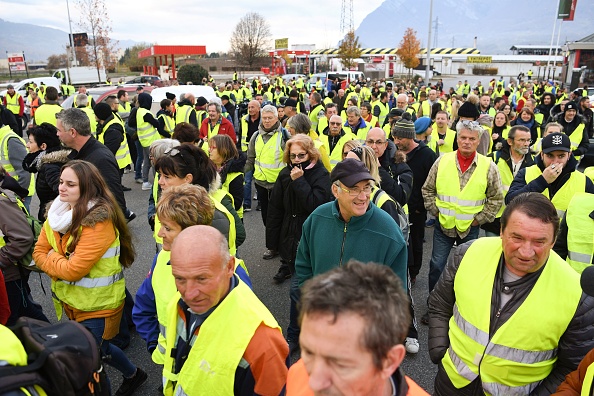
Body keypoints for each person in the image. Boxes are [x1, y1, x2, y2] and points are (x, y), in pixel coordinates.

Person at [428, 192, 594, 396]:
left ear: (553, 242)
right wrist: (439, 349)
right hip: (450, 385)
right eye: (517, 237)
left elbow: (571, 368)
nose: (526, 252)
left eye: (539, 242)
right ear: (501, 231)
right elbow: (440, 304)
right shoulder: (467, 253)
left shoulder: (577, 294)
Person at [33, 161, 148, 396]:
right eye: (61, 182)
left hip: (99, 304)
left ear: (87, 188)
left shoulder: (98, 222)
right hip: (73, 300)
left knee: (89, 361)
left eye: (70, 184)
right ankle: (134, 374)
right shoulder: (56, 213)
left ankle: (124, 380)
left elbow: (73, 270)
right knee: (102, 348)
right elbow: (37, 252)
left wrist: (51, 258)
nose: (62, 188)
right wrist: (58, 261)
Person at [162, 225, 288, 395]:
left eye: (201, 279)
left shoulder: (262, 343)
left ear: (229, 266)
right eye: (180, 279)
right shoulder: (180, 303)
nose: (189, 294)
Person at [133, 184, 251, 365]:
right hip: (171, 368)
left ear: (191, 230)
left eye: (167, 228)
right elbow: (142, 308)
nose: (159, 233)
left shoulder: (233, 275)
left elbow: (244, 340)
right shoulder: (162, 258)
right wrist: (153, 343)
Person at [287, 261, 428, 395]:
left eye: (340, 364)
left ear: (389, 361)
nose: (314, 383)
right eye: (309, 352)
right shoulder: (296, 374)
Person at [421, 120, 503, 321]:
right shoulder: (442, 161)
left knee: (467, 270)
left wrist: (479, 220)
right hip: (444, 226)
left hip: (470, 229)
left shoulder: (488, 166)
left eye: (471, 139)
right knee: (437, 267)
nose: (466, 142)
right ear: (457, 139)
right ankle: (434, 307)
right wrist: (437, 213)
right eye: (463, 138)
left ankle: (460, 308)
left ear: (478, 141)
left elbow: (496, 198)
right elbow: (427, 190)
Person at [295, 157, 408, 295]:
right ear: (335, 191)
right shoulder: (317, 219)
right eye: (354, 189)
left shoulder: (388, 231)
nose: (363, 197)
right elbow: (303, 266)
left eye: (366, 188)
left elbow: (396, 291)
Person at [154, 143, 246, 255]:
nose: (160, 182)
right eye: (160, 175)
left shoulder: (211, 205)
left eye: (167, 177)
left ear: (187, 179)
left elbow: (239, 235)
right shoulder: (170, 201)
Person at [55, 108, 136, 222]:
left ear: (73, 132)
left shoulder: (100, 159)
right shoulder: (80, 153)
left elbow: (116, 203)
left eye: (59, 130)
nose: (57, 134)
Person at [0, 167, 49, 326]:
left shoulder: (1, 203)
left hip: (9, 274)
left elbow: (22, 237)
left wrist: (2, 260)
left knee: (17, 316)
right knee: (24, 311)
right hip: (8, 272)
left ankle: (59, 344)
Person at [391, 118, 437, 284]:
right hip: (396, 207)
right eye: (394, 138)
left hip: (417, 210)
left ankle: (414, 272)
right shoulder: (394, 152)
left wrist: (421, 207)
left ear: (410, 136)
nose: (396, 141)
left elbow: (432, 184)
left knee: (416, 242)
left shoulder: (427, 155)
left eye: (400, 138)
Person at [507, 131, 594, 215]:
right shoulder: (526, 173)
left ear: (569, 155)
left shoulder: (584, 181)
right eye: (550, 155)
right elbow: (510, 201)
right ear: (542, 155)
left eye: (561, 156)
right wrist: (541, 181)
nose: (555, 162)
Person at [244, 104, 289, 259]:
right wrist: (241, 175)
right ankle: (273, 246)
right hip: (261, 184)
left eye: (270, 118)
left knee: (280, 217)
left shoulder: (284, 135)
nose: (267, 121)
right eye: (265, 118)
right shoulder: (255, 136)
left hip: (279, 185)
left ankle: (279, 247)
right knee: (266, 218)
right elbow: (250, 159)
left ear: (277, 118)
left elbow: (290, 160)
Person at [482, 125, 535, 237]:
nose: (526, 144)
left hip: (520, 218)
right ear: (510, 141)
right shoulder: (494, 158)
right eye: (521, 140)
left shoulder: (534, 163)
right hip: (494, 217)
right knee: (493, 250)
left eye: (528, 140)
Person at [21, 123, 71, 221]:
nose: (27, 145)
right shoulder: (49, 163)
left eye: (30, 142)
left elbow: (65, 193)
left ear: (43, 146)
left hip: (54, 219)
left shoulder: (50, 167)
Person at [128, 92, 170, 191]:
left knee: (147, 162)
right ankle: (158, 183)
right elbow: (156, 123)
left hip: (144, 141)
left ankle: (145, 181)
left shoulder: (139, 111)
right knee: (155, 163)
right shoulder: (146, 113)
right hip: (150, 142)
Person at [365, 127, 413, 207]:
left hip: (391, 215)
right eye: (370, 142)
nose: (373, 146)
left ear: (385, 145)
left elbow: (401, 197)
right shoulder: (358, 163)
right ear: (365, 143)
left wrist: (379, 169)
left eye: (379, 142)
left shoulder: (400, 166)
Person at [209, 134, 246, 218]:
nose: (209, 150)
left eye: (213, 148)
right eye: (209, 147)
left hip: (231, 219)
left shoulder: (236, 175)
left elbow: (236, 204)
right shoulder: (208, 170)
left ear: (223, 150)